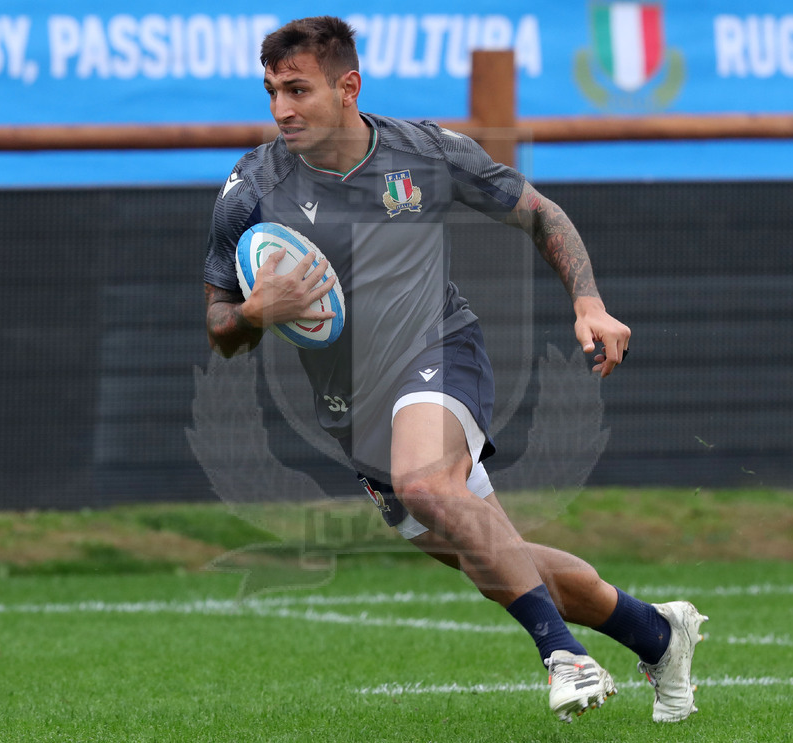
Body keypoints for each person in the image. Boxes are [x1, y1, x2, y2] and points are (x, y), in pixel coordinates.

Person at [203, 15, 707, 724]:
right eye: (270, 93)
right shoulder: (250, 190)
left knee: (424, 481)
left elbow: (540, 214)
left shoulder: (425, 152)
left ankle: (565, 655)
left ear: (348, 87)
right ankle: (657, 632)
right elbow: (221, 329)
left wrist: (588, 302)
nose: (281, 109)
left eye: (297, 90)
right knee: (492, 556)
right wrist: (259, 310)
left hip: (441, 351)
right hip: (352, 407)